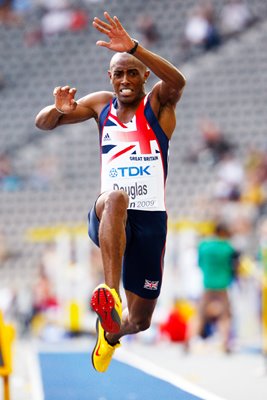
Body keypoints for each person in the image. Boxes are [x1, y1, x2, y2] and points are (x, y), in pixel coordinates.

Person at [35, 11, 186, 372]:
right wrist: (58, 110)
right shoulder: (102, 105)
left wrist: (134, 47)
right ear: (110, 77)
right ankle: (110, 293)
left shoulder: (158, 105)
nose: (124, 79)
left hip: (150, 221)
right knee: (117, 197)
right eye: (118, 73)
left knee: (142, 321)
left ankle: (112, 334)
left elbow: (178, 81)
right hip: (109, 215)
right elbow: (42, 123)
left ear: (144, 76)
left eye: (132, 71)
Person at [190, 222, 240, 353]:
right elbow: (234, 266)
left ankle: (189, 340)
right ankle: (225, 343)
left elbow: (199, 264)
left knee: (200, 314)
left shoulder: (204, 246)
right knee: (225, 315)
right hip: (223, 285)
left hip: (207, 283)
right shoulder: (228, 247)